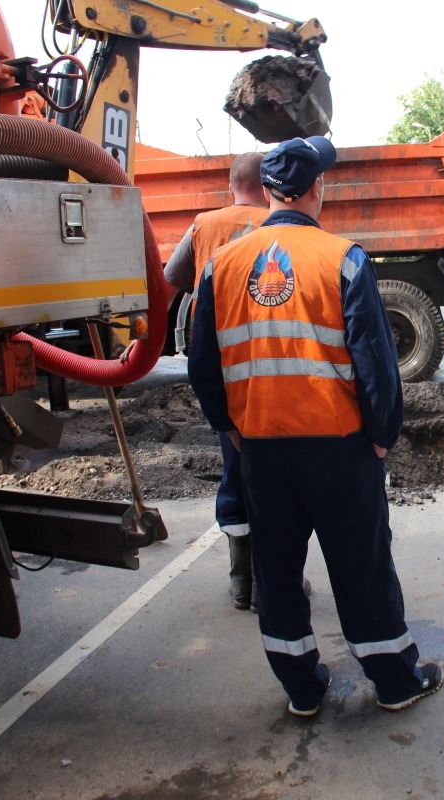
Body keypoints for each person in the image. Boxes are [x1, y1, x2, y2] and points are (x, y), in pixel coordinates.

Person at [186, 135, 444, 716]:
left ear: (272, 191)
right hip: (339, 450)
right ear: (315, 190)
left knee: (278, 575)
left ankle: (302, 690)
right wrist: (382, 434)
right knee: (362, 567)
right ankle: (396, 683)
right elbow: (375, 363)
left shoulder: (221, 267)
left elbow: (201, 360)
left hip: (262, 453)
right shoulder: (343, 259)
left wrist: (228, 426)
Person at [154, 151, 304, 612]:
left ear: (230, 186)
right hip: (276, 360)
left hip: (221, 365)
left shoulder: (205, 225)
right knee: (283, 473)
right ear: (268, 186)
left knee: (236, 462)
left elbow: (168, 284)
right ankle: (278, 582)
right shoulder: (283, 225)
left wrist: (141, 339)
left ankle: (243, 582)